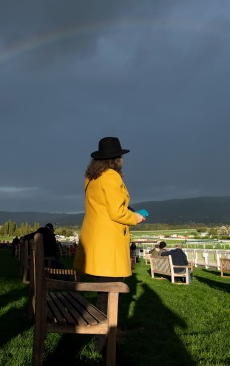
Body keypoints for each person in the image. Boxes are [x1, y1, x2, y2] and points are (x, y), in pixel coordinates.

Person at [73, 137, 146, 338]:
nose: (122, 160)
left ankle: (107, 335)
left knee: (103, 293)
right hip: (109, 245)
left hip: (95, 242)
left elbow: (103, 207)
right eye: (121, 156)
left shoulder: (91, 178)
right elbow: (116, 213)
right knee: (109, 293)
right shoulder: (111, 177)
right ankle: (105, 341)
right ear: (116, 159)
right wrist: (135, 217)